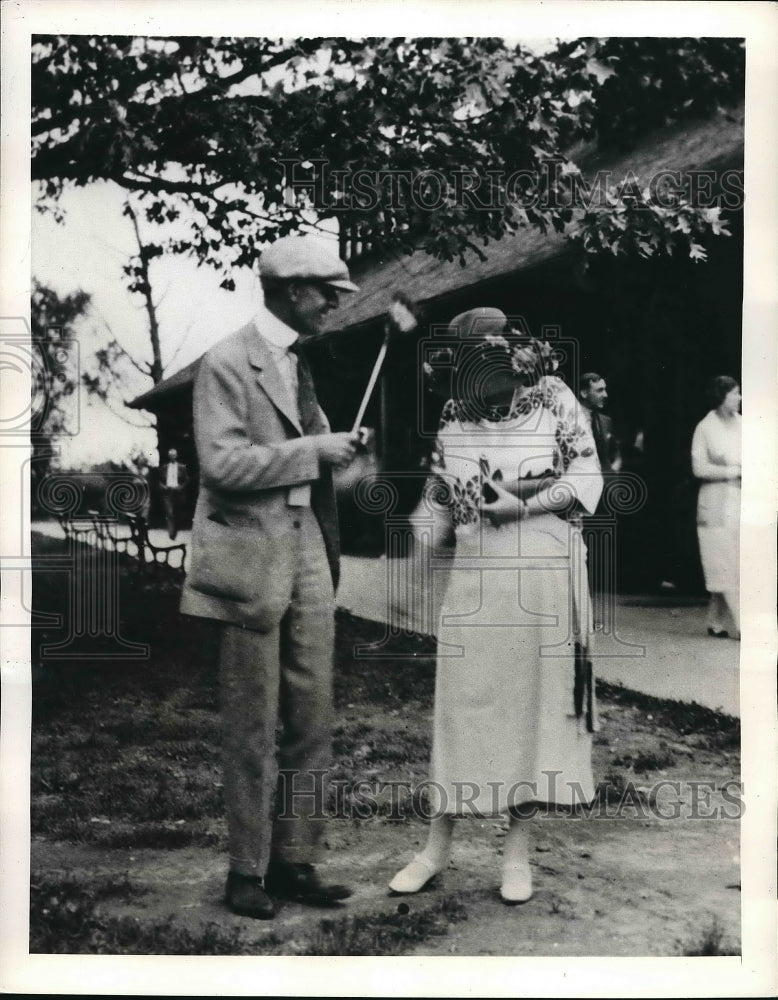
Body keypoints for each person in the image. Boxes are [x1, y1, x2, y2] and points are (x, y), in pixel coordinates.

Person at [390, 308, 603, 904]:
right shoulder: (455, 412)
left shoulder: (556, 398)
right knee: (463, 705)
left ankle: (516, 852)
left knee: (531, 709)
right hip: (477, 572)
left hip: (543, 568)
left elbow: (588, 479)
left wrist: (523, 506)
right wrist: (417, 540)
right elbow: (439, 492)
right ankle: (436, 846)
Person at [180, 234, 363, 919]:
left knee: (312, 712)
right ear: (292, 292)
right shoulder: (227, 363)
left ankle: (296, 861)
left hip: (307, 544)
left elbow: (304, 458)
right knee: (252, 718)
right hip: (251, 556)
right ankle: (246, 871)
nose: (333, 308)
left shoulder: (299, 367)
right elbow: (222, 466)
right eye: (327, 295)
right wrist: (314, 449)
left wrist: (344, 458)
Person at [691, 375, 741, 639]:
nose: (739, 398)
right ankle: (746, 625)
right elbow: (698, 467)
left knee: (737, 561)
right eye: (734, 393)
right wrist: (733, 471)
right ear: (721, 397)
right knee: (723, 562)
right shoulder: (705, 427)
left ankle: (715, 620)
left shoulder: (743, 424)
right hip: (715, 503)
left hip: (741, 500)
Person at [578, 373, 622, 624]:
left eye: (605, 389)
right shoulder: (570, 418)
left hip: (602, 496)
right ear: (584, 392)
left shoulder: (605, 421)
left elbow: (612, 454)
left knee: (595, 552)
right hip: (578, 494)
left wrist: (612, 476)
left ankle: (588, 609)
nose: (605, 395)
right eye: (599, 390)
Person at [159, 447, 190, 538]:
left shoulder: (182, 467)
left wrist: (181, 487)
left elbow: (187, 479)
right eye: (170, 455)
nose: (172, 456)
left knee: (177, 513)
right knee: (169, 513)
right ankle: (171, 533)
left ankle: (175, 529)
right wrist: (163, 486)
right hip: (168, 492)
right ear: (168, 456)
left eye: (174, 455)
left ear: (176, 456)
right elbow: (159, 481)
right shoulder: (164, 467)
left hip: (178, 493)